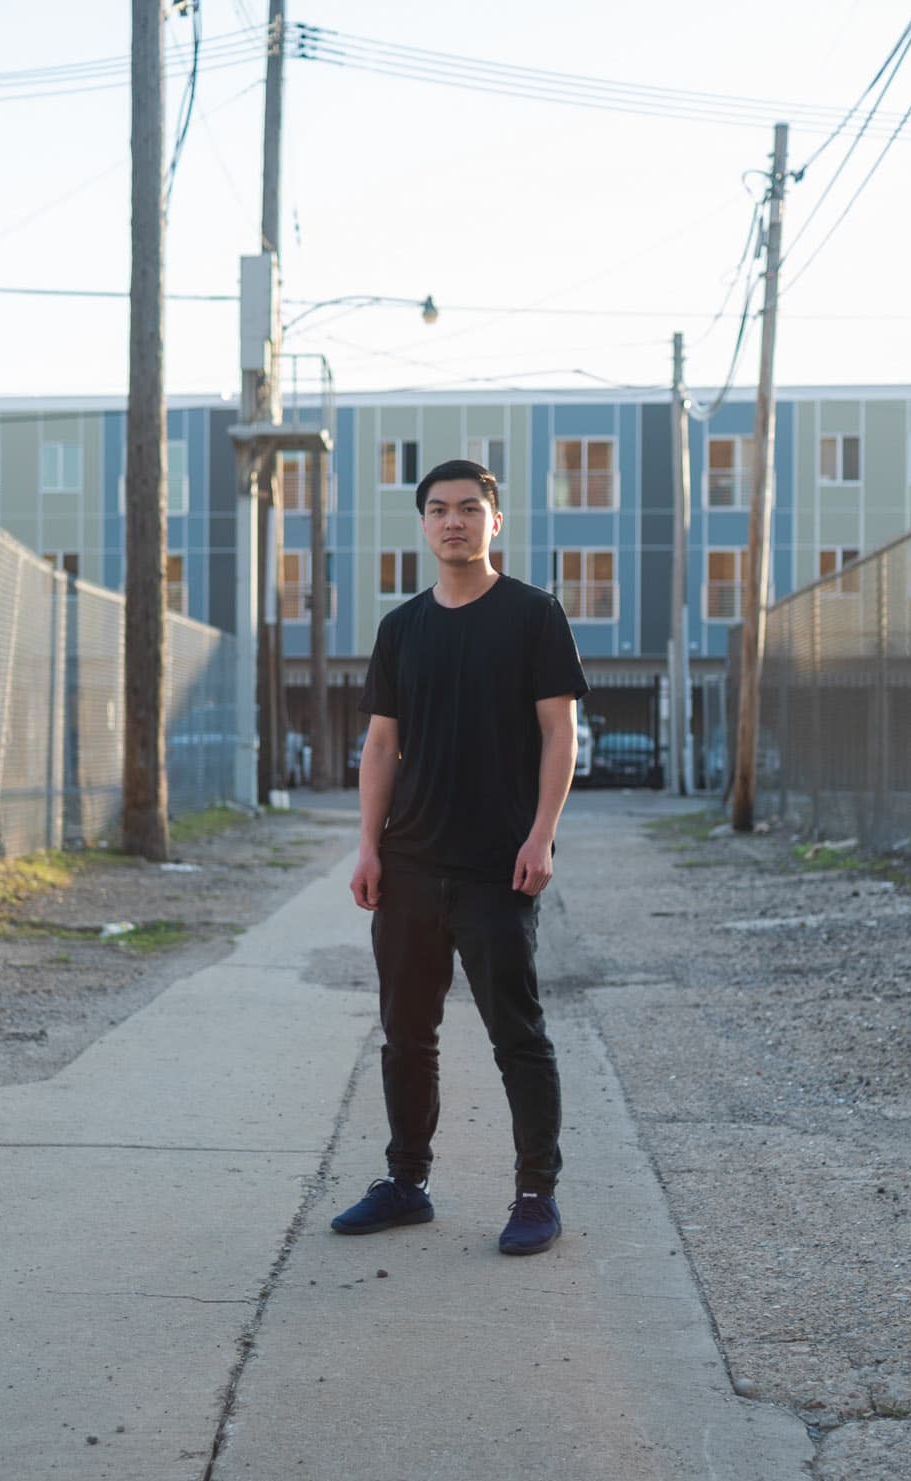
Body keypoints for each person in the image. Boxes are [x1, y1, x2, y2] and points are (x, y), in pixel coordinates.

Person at [330, 458, 586, 1256]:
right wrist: (369, 846)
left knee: (518, 1034)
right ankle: (407, 1182)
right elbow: (380, 746)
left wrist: (542, 832)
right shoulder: (401, 628)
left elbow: (558, 732)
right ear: (423, 524)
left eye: (470, 509)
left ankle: (535, 1193)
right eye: (439, 509)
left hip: (495, 867)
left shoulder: (534, 615)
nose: (454, 521)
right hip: (408, 864)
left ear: (494, 522)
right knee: (408, 1034)